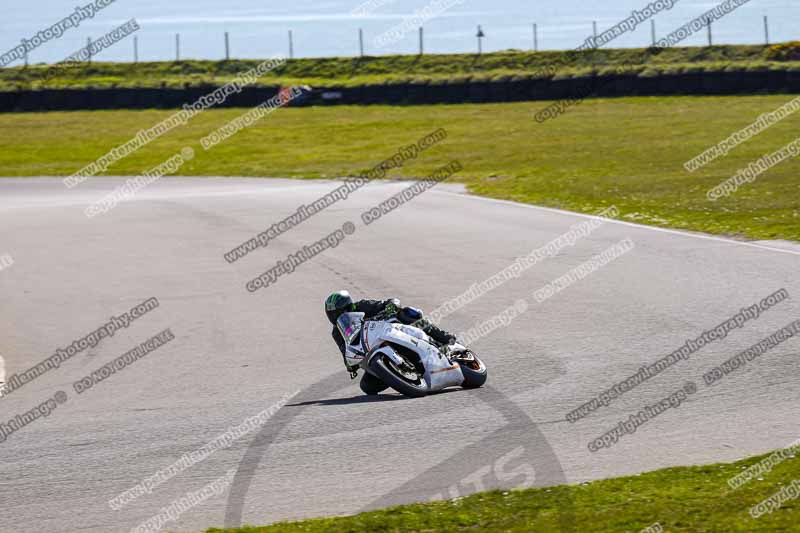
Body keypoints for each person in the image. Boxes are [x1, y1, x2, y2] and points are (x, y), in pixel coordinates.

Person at [324, 290, 456, 385]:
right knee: (367, 387)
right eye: (332, 314)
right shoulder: (337, 333)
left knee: (406, 313)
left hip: (390, 331)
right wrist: (350, 365)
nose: (336, 316)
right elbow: (345, 351)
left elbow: (390, 302)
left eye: (338, 312)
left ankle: (443, 338)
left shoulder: (362, 306)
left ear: (348, 307)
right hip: (371, 352)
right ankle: (397, 376)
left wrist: (391, 306)